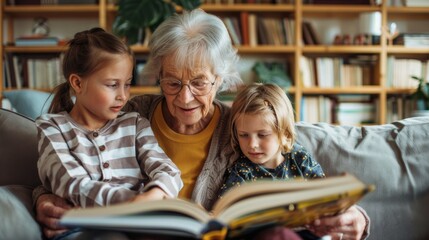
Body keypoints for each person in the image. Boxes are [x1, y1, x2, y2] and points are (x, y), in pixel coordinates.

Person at [34, 9, 370, 240]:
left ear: (221, 80)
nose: (185, 98)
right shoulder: (129, 114)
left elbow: (293, 164)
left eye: (199, 83)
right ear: (158, 77)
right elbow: (74, 154)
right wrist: (42, 198)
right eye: (172, 83)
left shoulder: (242, 123)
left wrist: (354, 216)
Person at [35, 27, 183, 238]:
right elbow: (72, 184)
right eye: (112, 85)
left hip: (139, 222)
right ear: (77, 83)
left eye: (127, 84)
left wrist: (154, 195)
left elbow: (168, 170)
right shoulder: (51, 127)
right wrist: (133, 202)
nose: (123, 96)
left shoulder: (134, 123)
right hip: (82, 227)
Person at [218, 83, 325, 198]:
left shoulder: (300, 159)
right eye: (244, 135)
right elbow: (226, 206)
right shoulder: (242, 171)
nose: (252, 144)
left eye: (262, 135)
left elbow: (325, 193)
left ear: (285, 133)